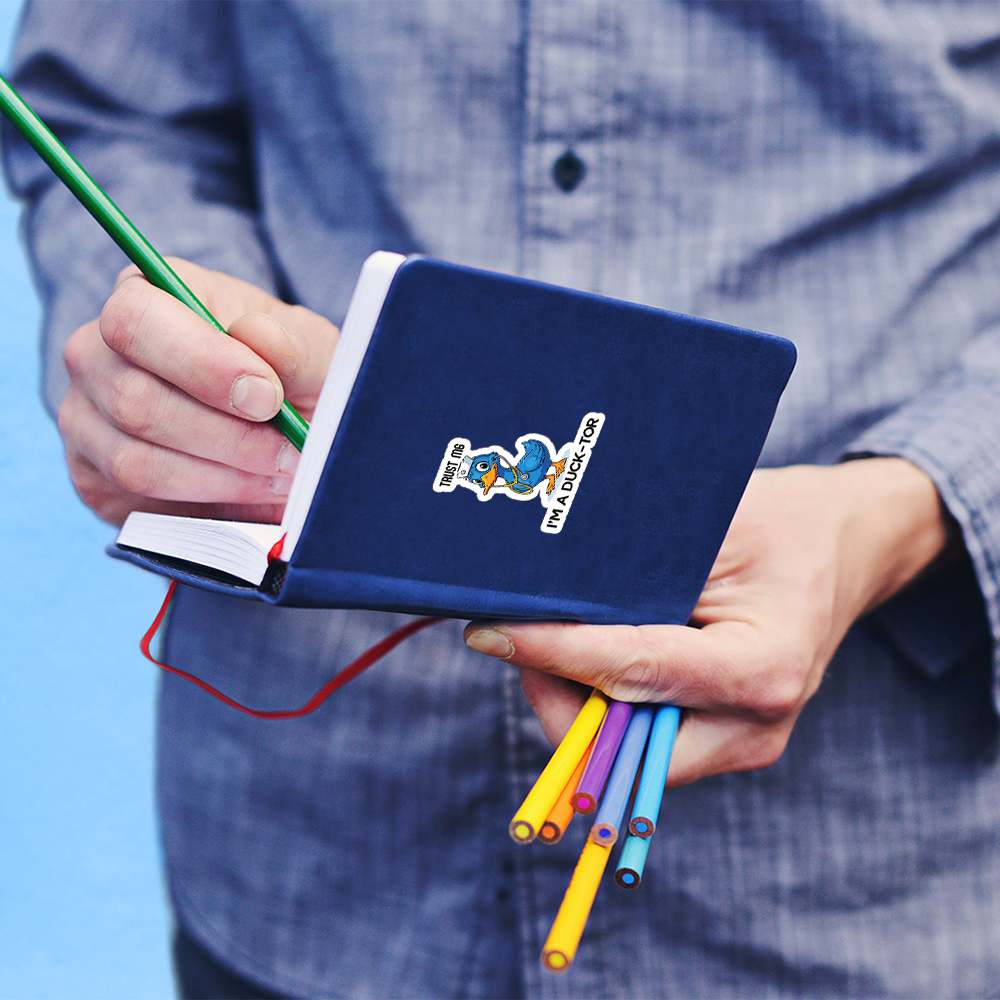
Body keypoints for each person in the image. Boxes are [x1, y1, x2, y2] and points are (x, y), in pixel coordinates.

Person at [5, 1, 1000, 997]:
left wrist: (897, 510)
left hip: (869, 865)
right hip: (309, 861)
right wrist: (170, 352)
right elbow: (117, 111)